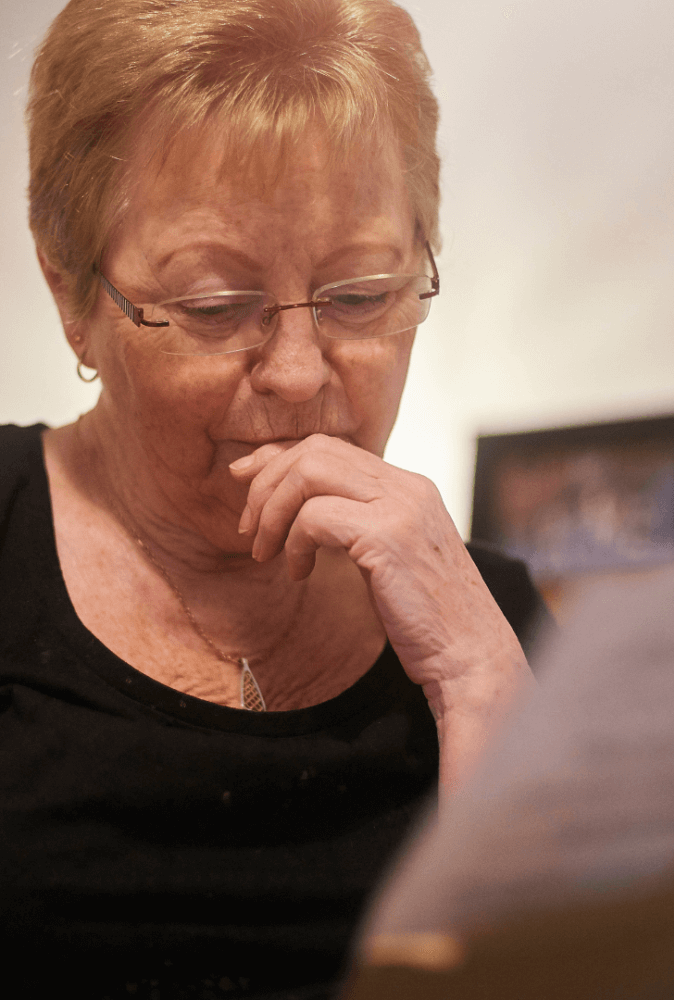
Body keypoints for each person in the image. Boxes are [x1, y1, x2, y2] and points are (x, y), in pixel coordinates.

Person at [0, 1, 545, 997]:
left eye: (360, 294)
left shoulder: (493, 621)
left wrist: (479, 688)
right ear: (72, 295)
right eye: (215, 306)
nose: (298, 375)